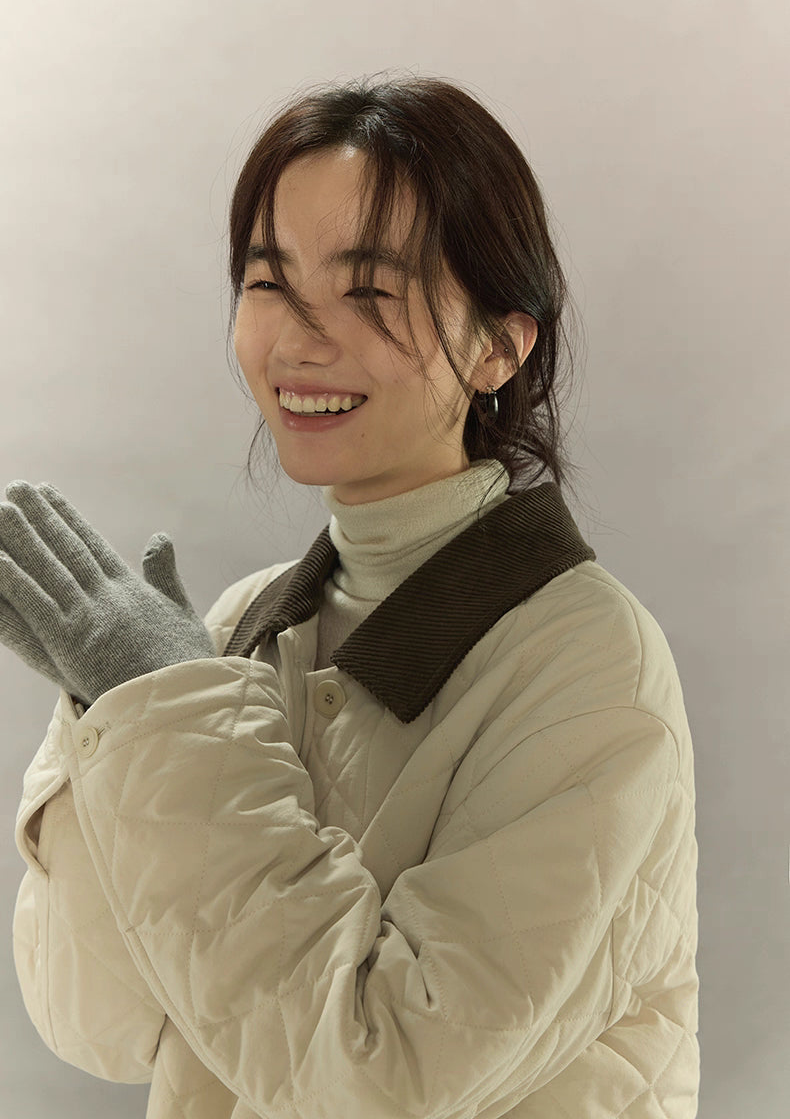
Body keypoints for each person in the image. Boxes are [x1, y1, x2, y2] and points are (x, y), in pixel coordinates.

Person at [5, 73, 700, 1118]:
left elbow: (381, 1074)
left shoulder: (587, 665)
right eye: (268, 281)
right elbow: (100, 1021)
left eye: (369, 291)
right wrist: (120, 708)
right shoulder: (240, 629)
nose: (296, 340)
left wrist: (165, 710)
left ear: (498, 345)